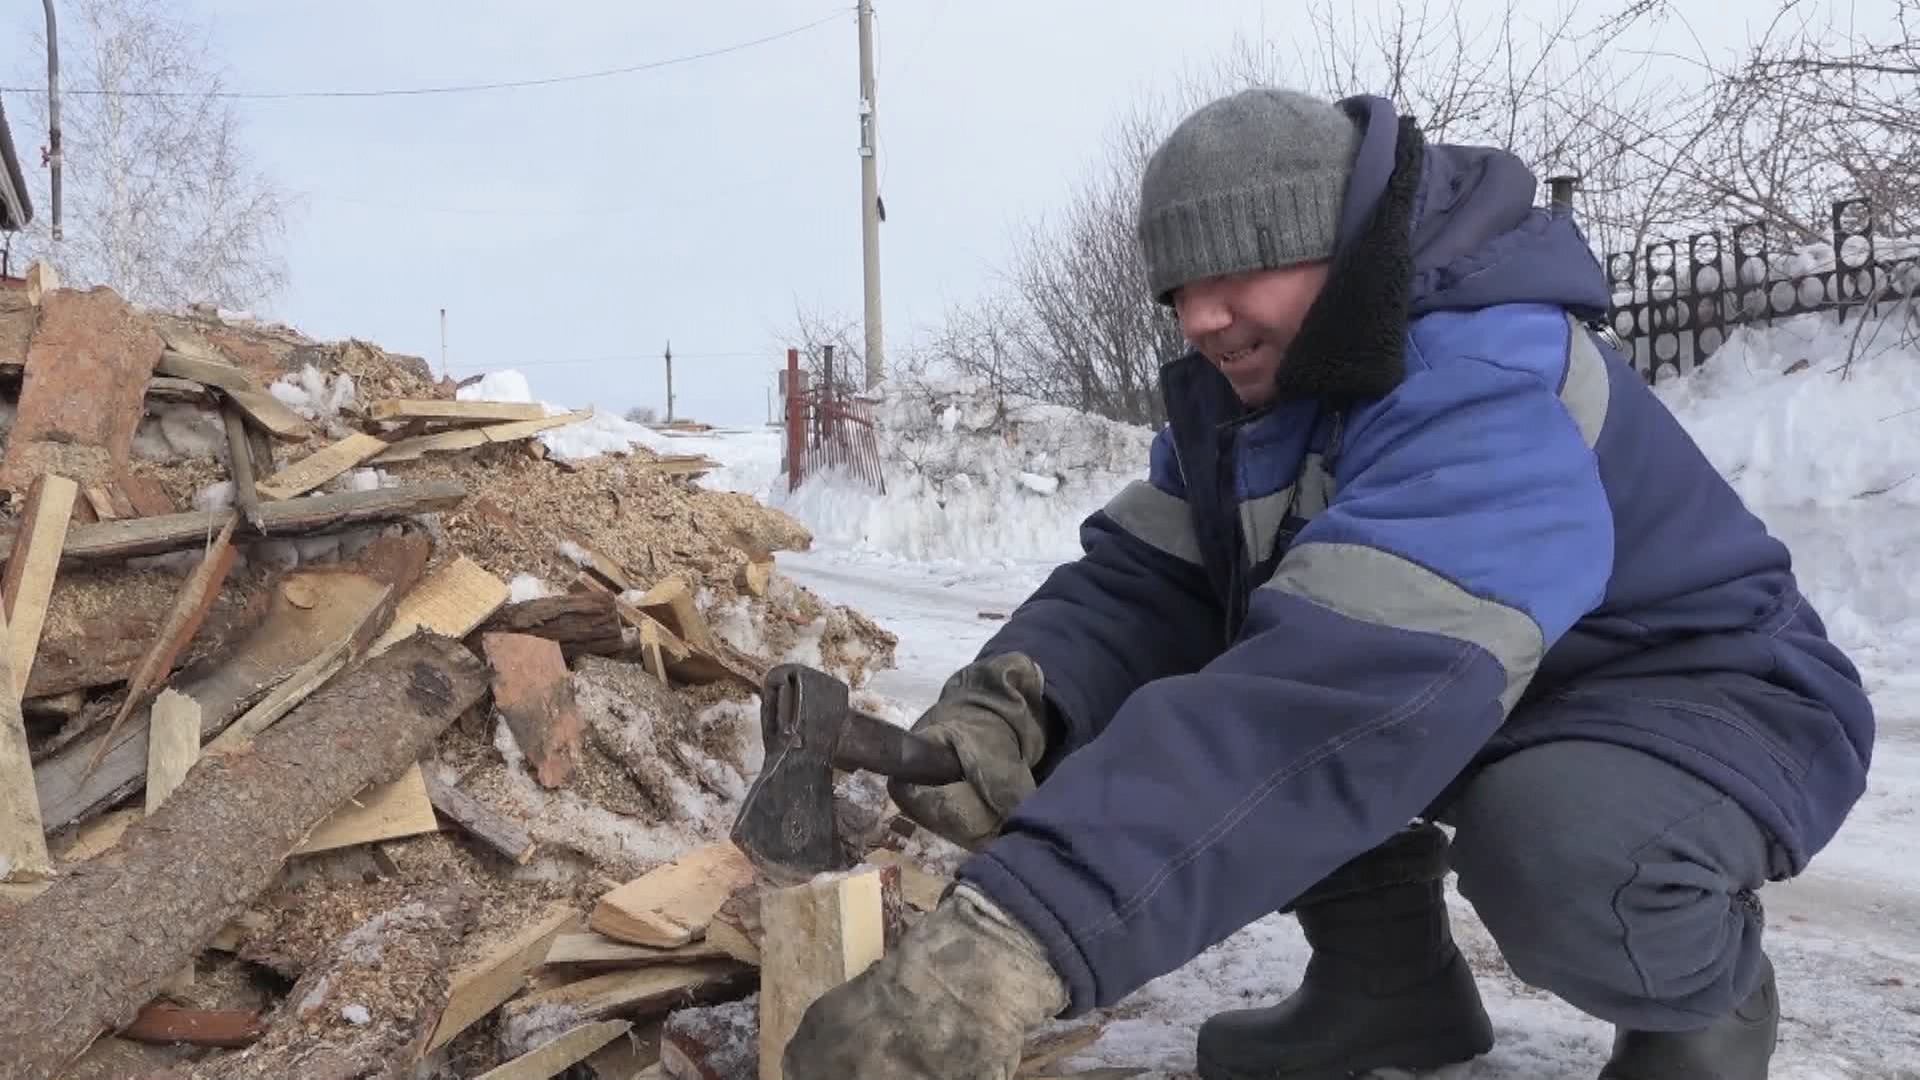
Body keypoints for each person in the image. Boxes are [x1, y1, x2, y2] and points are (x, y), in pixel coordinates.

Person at [780, 87, 1875, 1080]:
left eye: (1239, 265)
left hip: (1702, 704)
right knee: (1230, 668)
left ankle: (1705, 1004)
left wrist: (1018, 941)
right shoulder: (1263, 409)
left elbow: (1335, 699)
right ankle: (1392, 994)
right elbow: (1146, 592)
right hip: (1496, 695)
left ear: (1345, 249)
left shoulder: (1481, 382)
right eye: (1178, 285)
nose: (1199, 317)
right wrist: (1022, 697)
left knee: (1542, 840)